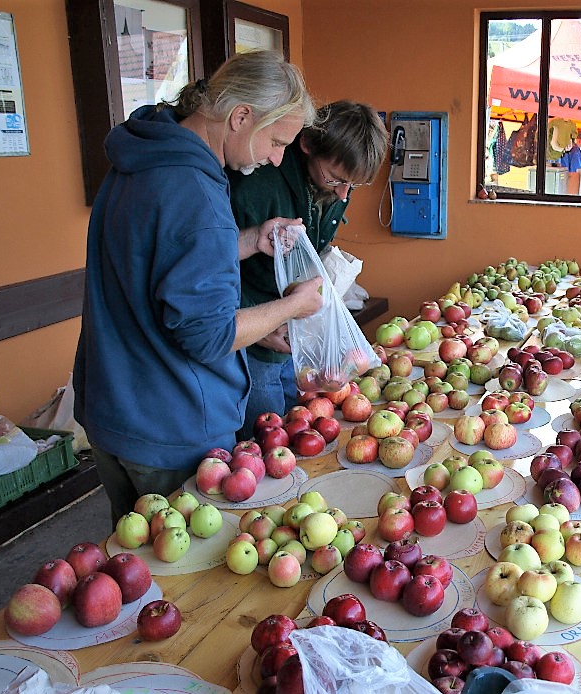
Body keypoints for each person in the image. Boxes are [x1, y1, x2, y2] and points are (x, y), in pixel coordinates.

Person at [73, 51, 321, 525]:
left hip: (111, 409)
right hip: (169, 426)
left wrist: (247, 240)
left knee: (132, 566)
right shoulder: (196, 192)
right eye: (275, 141)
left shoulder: (142, 154)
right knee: (187, 579)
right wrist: (291, 305)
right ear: (240, 116)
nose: (276, 158)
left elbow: (153, 263)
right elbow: (209, 335)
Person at [229, 101, 388, 438]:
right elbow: (214, 269)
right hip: (251, 343)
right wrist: (255, 320)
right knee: (268, 439)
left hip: (293, 335)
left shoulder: (334, 184)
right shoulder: (256, 185)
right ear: (307, 145)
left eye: (352, 186)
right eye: (336, 179)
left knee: (299, 430)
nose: (343, 193)